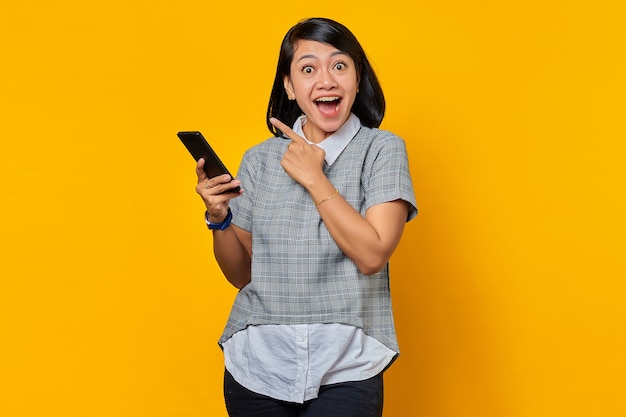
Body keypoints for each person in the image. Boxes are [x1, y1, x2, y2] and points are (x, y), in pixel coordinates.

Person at [194, 17, 417, 417]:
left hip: (348, 365)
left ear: (357, 76)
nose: (327, 80)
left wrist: (315, 178)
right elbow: (241, 275)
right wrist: (220, 218)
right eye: (308, 68)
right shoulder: (260, 159)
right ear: (290, 86)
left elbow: (372, 255)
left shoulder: (381, 150)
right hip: (257, 366)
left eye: (339, 65)